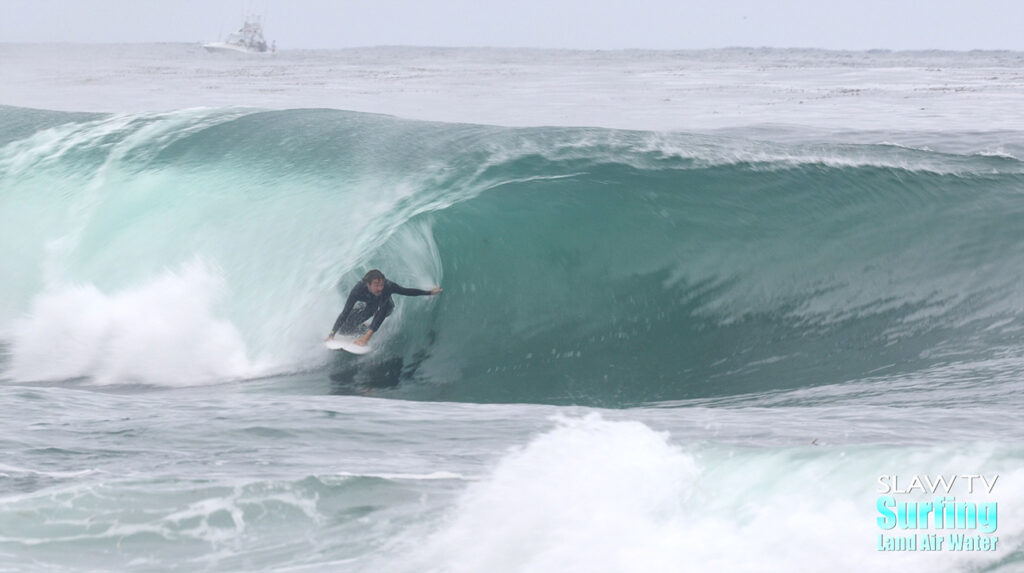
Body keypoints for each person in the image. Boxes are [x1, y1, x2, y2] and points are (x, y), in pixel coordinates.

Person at [326, 269, 442, 346]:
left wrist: (429, 292)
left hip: (386, 307)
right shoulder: (357, 290)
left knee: (381, 308)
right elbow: (344, 313)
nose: (380, 287)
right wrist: (331, 334)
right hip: (370, 305)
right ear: (368, 284)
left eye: (381, 284)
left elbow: (407, 291)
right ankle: (365, 328)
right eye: (376, 285)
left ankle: (367, 334)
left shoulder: (387, 287)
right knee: (345, 329)